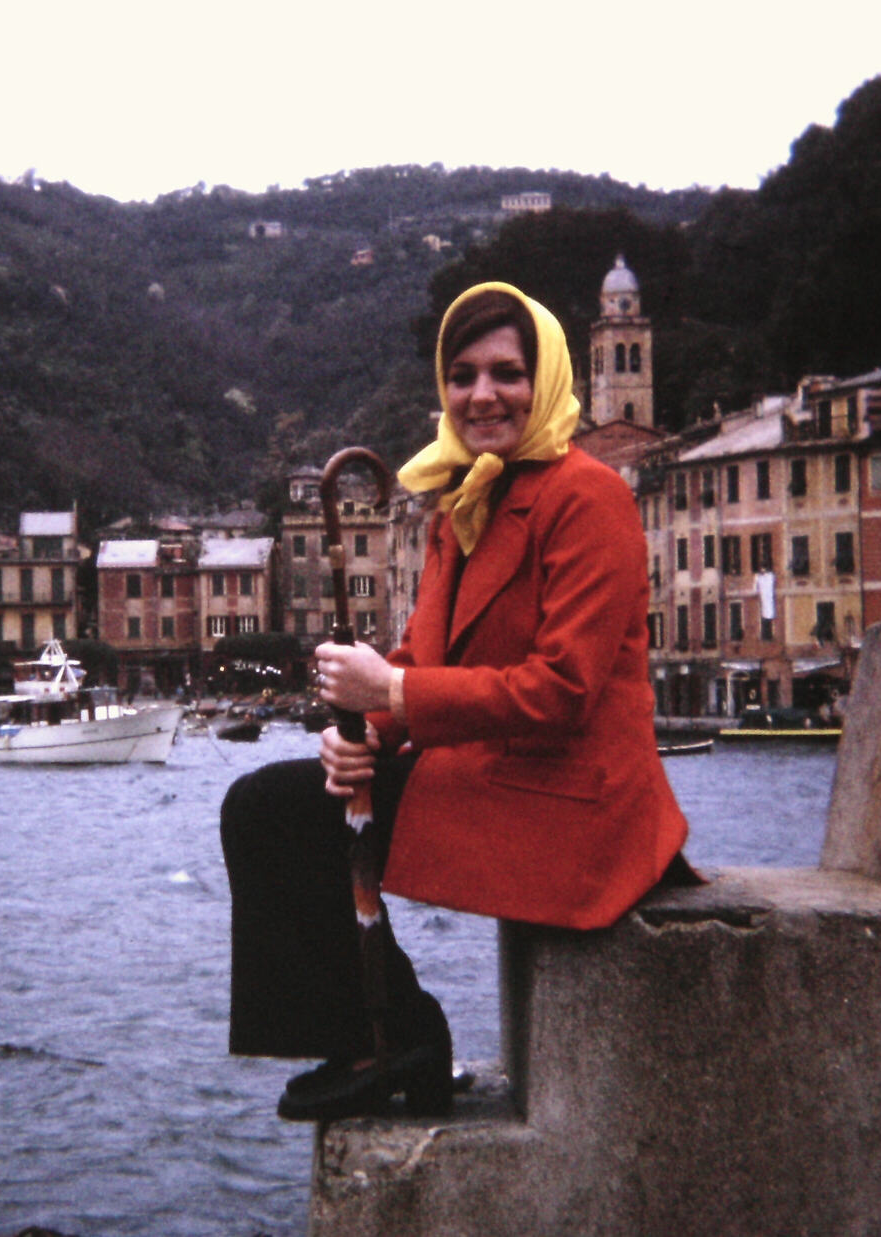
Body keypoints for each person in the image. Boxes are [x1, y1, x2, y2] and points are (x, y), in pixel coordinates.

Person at [220, 281, 692, 1122]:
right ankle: (377, 1029)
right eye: (462, 373)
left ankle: (399, 1033)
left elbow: (565, 689)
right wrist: (365, 728)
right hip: (499, 769)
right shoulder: (461, 501)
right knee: (263, 805)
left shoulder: (591, 497)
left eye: (507, 373)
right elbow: (422, 658)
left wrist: (393, 692)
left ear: (545, 378)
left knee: (274, 812)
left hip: (573, 794)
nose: (482, 395)